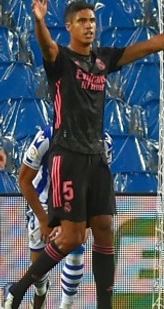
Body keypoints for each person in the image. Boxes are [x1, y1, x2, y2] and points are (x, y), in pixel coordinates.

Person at [3, 0, 164, 309]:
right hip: (66, 156)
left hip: (96, 158)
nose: (89, 26)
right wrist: (40, 20)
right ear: (69, 26)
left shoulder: (103, 60)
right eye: (82, 21)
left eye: (92, 21)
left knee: (106, 230)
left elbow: (150, 46)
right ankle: (19, 288)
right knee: (71, 239)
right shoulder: (61, 60)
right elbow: (47, 46)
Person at [17, 126, 112, 309]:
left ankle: (66, 305)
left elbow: (98, 185)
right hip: (44, 204)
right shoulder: (45, 137)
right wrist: (44, 220)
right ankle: (40, 291)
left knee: (76, 252)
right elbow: (24, 180)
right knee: (38, 268)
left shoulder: (103, 141)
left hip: (75, 204)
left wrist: (86, 225)